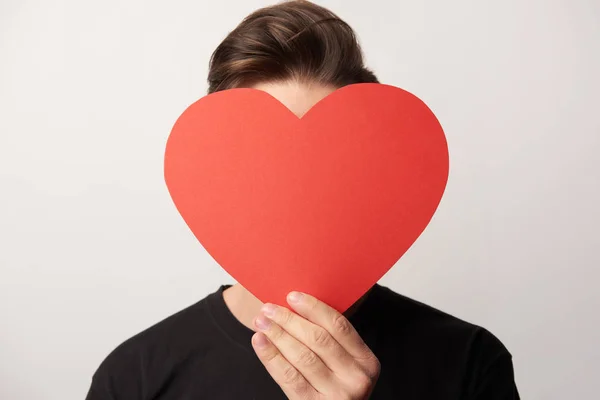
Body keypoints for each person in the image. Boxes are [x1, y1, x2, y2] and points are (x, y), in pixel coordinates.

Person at [85, 1, 519, 399]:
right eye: (262, 163)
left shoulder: (471, 363)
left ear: (372, 172)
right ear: (218, 169)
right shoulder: (132, 377)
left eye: (331, 166)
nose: (296, 195)